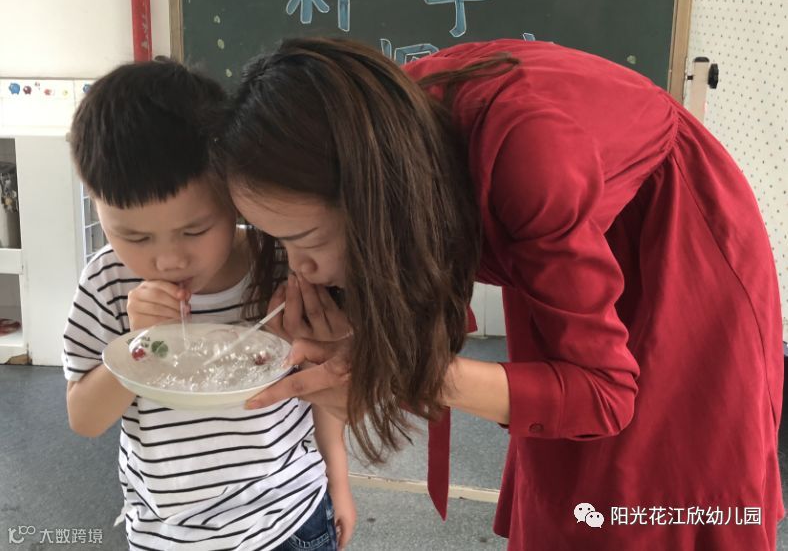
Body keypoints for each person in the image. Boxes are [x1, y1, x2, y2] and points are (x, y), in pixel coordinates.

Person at [209, 37, 784, 550]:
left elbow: (603, 395)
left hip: (677, 240)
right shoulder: (375, 134)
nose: (301, 269)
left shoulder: (524, 154)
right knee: (566, 472)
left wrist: (404, 372)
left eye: (307, 241)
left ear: (372, 203)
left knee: (657, 484)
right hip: (564, 214)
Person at [62, 59, 355, 550]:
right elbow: (84, 419)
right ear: (96, 206)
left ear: (234, 197)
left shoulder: (280, 263)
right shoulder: (108, 282)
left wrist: (338, 479)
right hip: (169, 535)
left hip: (290, 516)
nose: (168, 259)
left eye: (195, 230)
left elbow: (319, 385)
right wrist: (138, 346)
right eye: (134, 236)